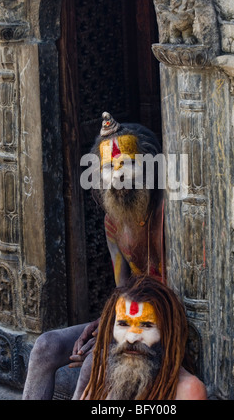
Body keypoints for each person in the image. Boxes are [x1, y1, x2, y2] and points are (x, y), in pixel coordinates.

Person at [22, 113, 165, 400]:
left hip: (159, 325)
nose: (119, 176)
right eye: (110, 168)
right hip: (125, 318)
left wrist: (111, 331)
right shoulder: (113, 223)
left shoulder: (166, 215)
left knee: (93, 360)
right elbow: (121, 291)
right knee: (45, 346)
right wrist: (105, 321)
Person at [81, 275, 207, 400]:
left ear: (168, 333)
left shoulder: (188, 390)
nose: (131, 338)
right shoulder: (103, 375)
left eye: (147, 325)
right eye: (123, 324)